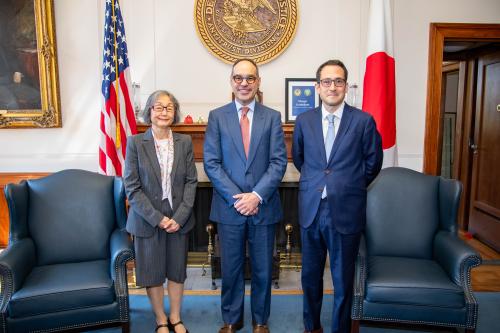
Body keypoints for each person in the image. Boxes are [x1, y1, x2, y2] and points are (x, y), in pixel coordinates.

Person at [292, 59, 383, 333]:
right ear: (318, 87)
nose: (333, 87)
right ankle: (312, 327)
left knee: (343, 282)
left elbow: (372, 163)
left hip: (346, 211)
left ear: (346, 85)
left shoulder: (364, 121)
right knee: (310, 278)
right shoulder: (304, 120)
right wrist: (319, 184)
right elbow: (300, 159)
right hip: (312, 210)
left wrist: (346, 185)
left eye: (339, 81)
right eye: (327, 82)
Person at [204, 58, 287, 333]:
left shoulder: (272, 117)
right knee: (231, 270)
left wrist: (256, 196)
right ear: (231, 81)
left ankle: (260, 321)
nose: (244, 83)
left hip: (263, 207)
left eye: (250, 78)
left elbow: (278, 162)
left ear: (258, 82)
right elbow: (211, 163)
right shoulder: (217, 117)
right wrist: (238, 198)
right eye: (239, 77)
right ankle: (232, 319)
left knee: (263, 269)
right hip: (229, 209)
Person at [124, 90, 197, 333]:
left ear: (174, 112)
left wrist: (180, 216)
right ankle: (160, 320)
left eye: (169, 107)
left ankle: (175, 318)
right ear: (149, 112)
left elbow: (191, 182)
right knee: (152, 271)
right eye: (158, 107)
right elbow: (132, 188)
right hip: (147, 217)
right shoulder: (135, 143)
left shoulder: (184, 142)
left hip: (179, 216)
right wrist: (158, 219)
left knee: (177, 270)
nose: (164, 111)